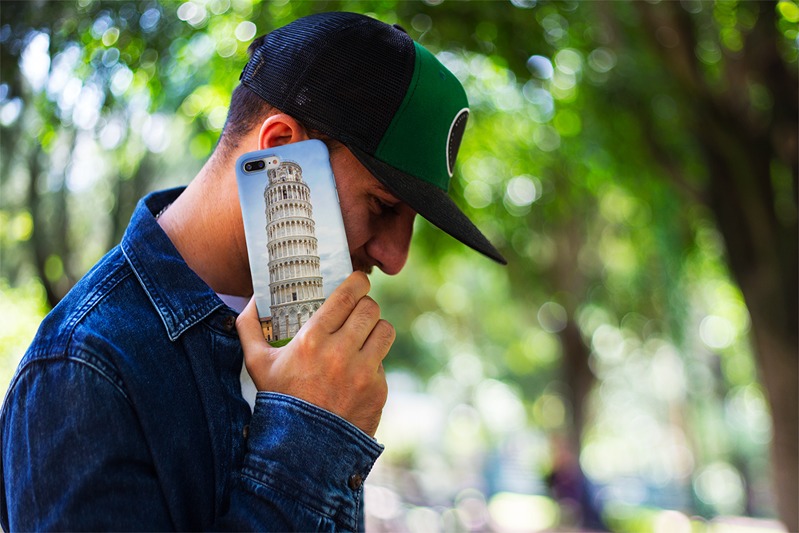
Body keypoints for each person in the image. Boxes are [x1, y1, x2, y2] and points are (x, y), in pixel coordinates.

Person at [0, 11, 506, 531]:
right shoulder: (82, 369)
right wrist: (310, 431)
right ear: (281, 149)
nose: (395, 258)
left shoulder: (311, 346)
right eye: (382, 205)